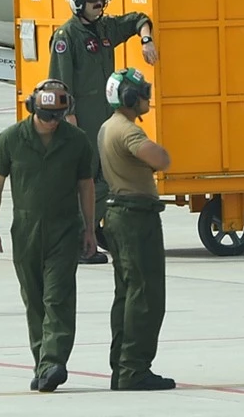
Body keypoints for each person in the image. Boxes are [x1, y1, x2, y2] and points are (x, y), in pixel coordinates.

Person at [0, 81, 96, 393]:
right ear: (34, 108)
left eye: (57, 116)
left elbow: (85, 185)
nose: (52, 122)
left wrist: (89, 228)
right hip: (25, 230)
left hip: (64, 228)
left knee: (57, 298)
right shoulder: (10, 139)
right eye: (46, 115)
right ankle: (42, 363)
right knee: (34, 300)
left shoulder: (76, 141)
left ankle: (54, 361)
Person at [48, 0, 158, 264]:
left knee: (106, 178)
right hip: (82, 123)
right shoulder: (66, 38)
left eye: (102, 3)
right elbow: (60, 84)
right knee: (92, 181)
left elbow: (138, 18)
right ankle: (82, 240)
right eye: (94, 4)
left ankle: (93, 232)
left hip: (105, 120)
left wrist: (146, 40)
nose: (100, 7)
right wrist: (69, 123)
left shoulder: (105, 28)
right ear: (79, 5)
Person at [98, 68, 175, 392]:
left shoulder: (108, 127)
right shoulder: (127, 131)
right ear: (129, 98)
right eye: (141, 91)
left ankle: (123, 366)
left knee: (127, 294)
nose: (146, 95)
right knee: (146, 295)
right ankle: (134, 369)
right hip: (135, 217)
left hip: (121, 214)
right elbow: (161, 158)